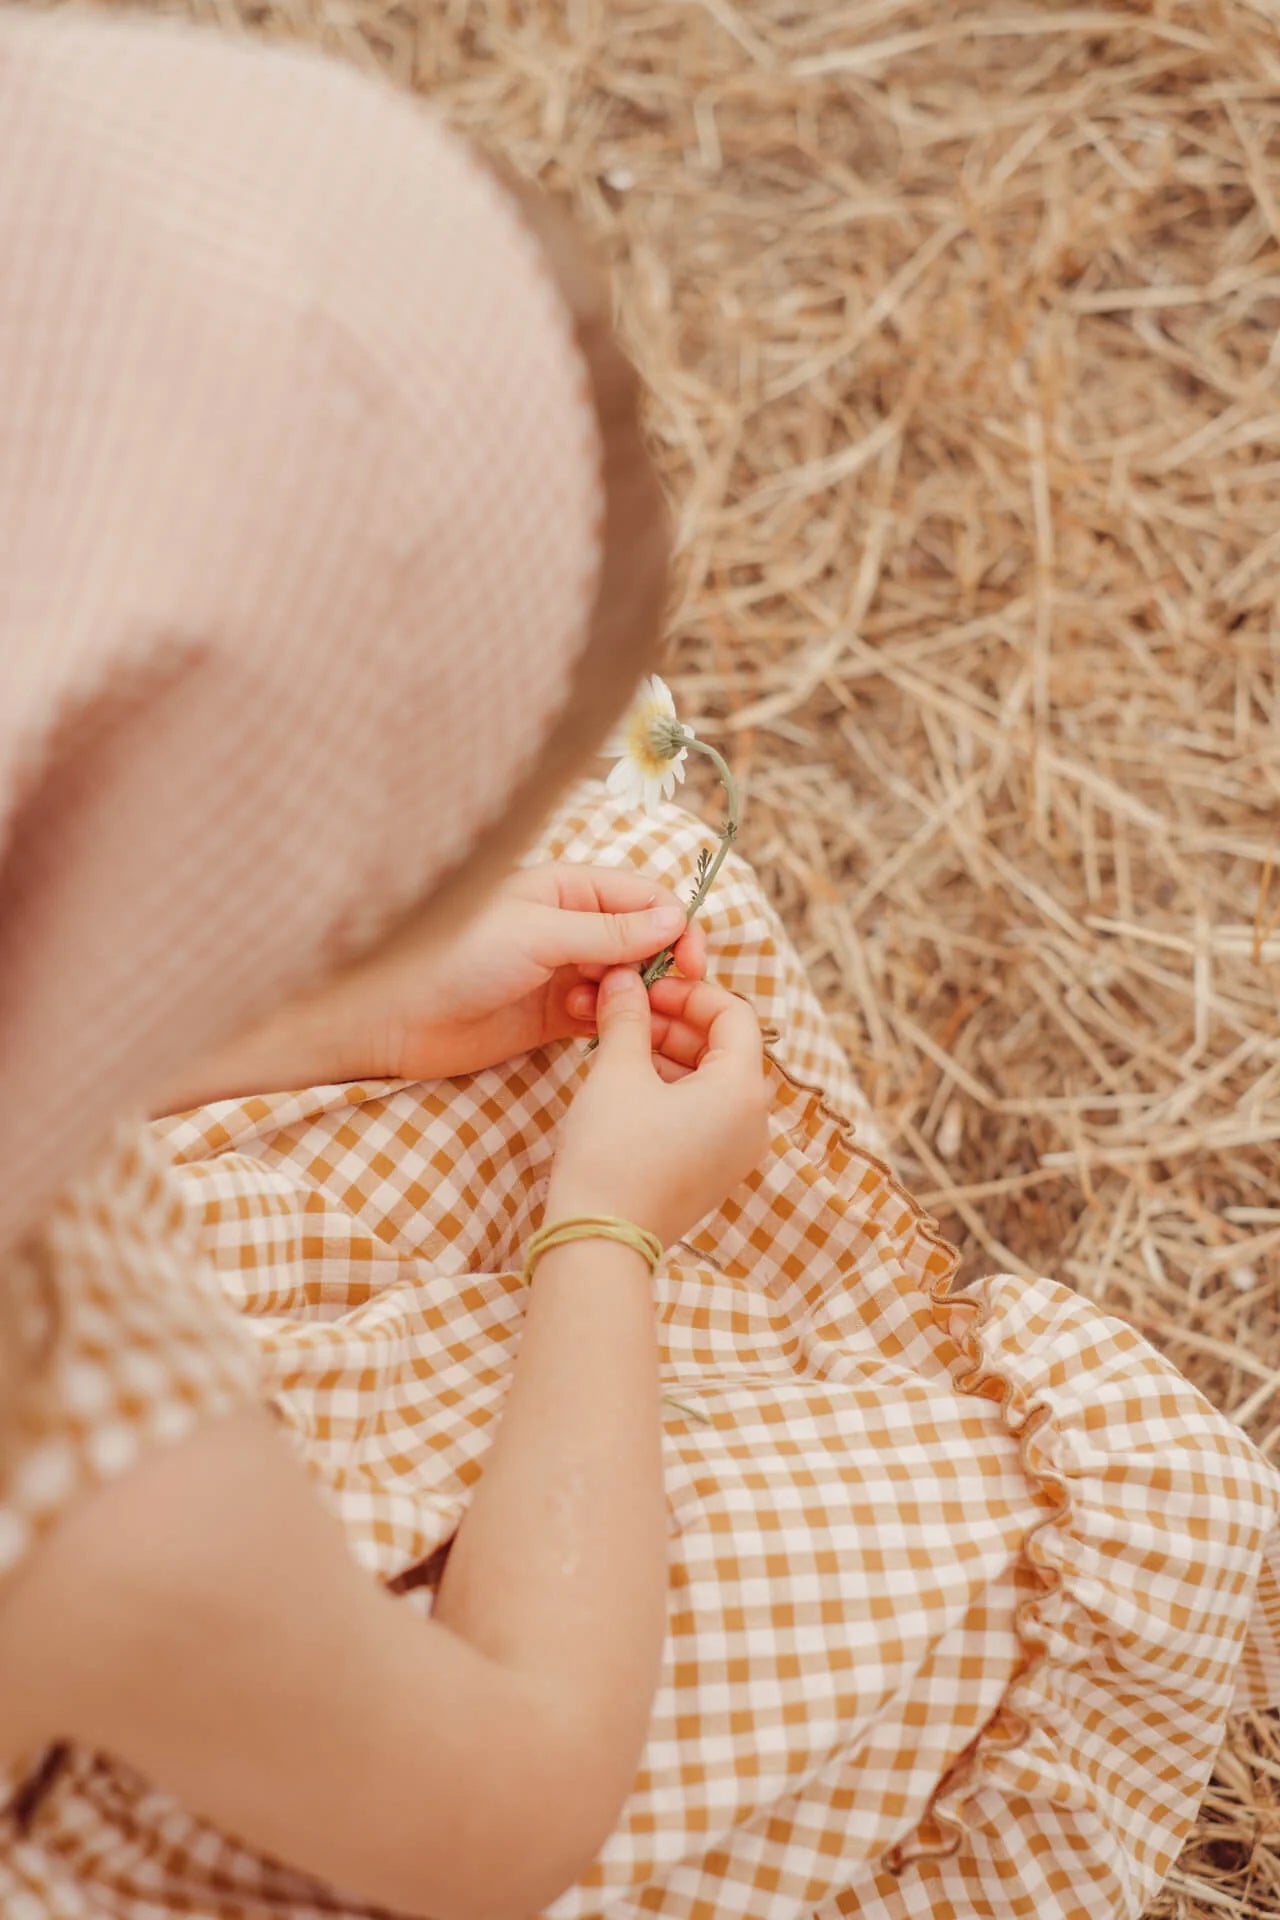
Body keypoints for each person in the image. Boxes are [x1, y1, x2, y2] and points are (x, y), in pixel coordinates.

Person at [2, 12, 1278, 1920]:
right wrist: (601, 1231)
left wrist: (311, 1021)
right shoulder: (91, 1466)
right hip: (225, 1732)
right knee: (959, 1537)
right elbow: (504, 1805)